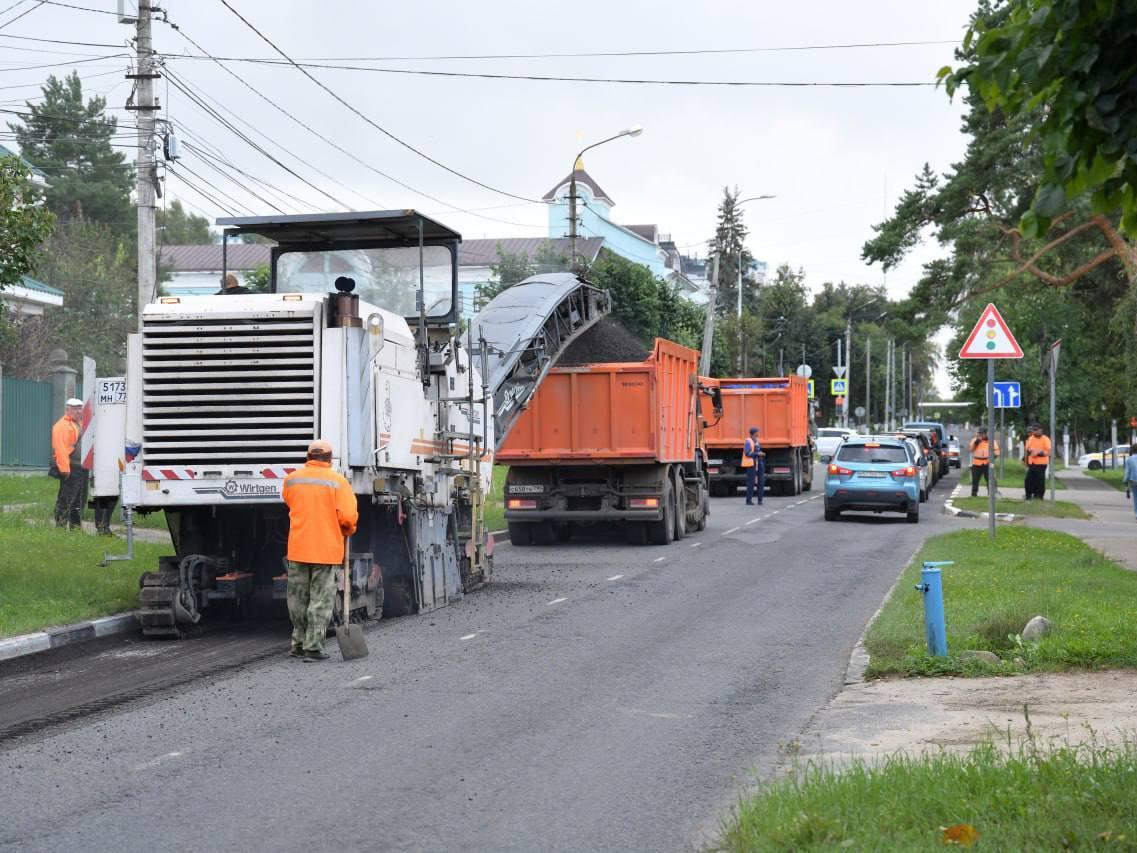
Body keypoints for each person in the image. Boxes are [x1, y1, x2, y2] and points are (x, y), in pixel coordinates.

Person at [282, 439, 359, 661]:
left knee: (297, 599)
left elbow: (288, 502)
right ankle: (313, 648)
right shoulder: (338, 482)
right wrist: (348, 528)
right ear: (329, 458)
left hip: (298, 549)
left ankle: (297, 644)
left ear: (308, 457)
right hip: (326, 551)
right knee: (320, 600)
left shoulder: (291, 480)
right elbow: (347, 516)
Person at [51, 398, 86, 529]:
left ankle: (75, 528)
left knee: (78, 500)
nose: (78, 411)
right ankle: (60, 526)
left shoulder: (79, 423)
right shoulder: (62, 426)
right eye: (75, 408)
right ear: (67, 410)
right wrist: (65, 470)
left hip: (80, 467)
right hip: (70, 467)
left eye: (80, 408)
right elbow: (60, 449)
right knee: (66, 499)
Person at [968, 427, 999, 497]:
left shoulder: (991, 441)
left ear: (985, 434)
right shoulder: (974, 440)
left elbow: (997, 451)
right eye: (979, 433)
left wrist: (994, 457)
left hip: (987, 463)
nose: (980, 435)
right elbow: (970, 450)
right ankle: (974, 494)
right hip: (976, 463)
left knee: (989, 479)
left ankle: (991, 494)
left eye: (982, 433)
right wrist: (976, 443)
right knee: (975, 480)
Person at [1023, 422, 1051, 500]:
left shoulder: (1045, 439)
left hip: (1041, 463)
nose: (1034, 432)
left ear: (1040, 430)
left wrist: (1038, 453)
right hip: (1032, 463)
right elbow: (1027, 449)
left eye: (1036, 430)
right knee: (1028, 480)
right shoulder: (1031, 438)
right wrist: (1030, 452)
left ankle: (1039, 496)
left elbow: (1047, 452)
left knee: (1040, 481)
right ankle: (1028, 496)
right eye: (1033, 430)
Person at [742, 426, 765, 506]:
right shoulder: (748, 442)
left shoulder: (757, 442)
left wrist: (760, 453)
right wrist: (757, 454)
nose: (758, 434)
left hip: (759, 464)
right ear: (753, 434)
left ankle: (760, 500)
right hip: (751, 465)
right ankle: (748, 500)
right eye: (757, 433)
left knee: (761, 482)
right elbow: (747, 453)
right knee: (751, 483)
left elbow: (758, 450)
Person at [1122, 444, 1137, 522]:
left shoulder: (1129, 459)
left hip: (1134, 481)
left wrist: (1125, 482)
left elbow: (1127, 473)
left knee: (1136, 497)